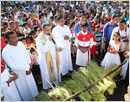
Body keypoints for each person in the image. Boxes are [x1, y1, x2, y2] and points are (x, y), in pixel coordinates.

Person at [2, 30, 34, 101]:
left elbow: (26, 54)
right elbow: (13, 66)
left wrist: (29, 64)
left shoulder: (20, 44)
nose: (16, 39)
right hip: (19, 73)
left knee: (32, 87)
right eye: (12, 38)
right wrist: (27, 67)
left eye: (16, 37)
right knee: (25, 91)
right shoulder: (5, 51)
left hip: (28, 69)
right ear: (7, 40)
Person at [36, 23, 61, 89]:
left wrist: (58, 47)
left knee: (55, 70)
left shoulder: (52, 35)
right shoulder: (39, 39)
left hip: (54, 57)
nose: (49, 32)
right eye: (47, 30)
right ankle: (48, 87)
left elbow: (55, 43)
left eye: (50, 30)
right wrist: (49, 41)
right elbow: (42, 50)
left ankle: (56, 83)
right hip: (46, 59)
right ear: (43, 29)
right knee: (47, 73)